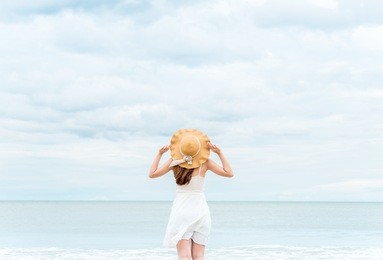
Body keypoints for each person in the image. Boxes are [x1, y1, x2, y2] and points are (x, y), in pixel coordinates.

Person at [149, 129, 234, 260]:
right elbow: (229, 173)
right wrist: (219, 153)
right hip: (200, 213)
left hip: (181, 212)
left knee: (184, 257)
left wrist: (159, 154)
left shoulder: (175, 161)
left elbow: (152, 174)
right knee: (199, 256)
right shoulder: (205, 163)